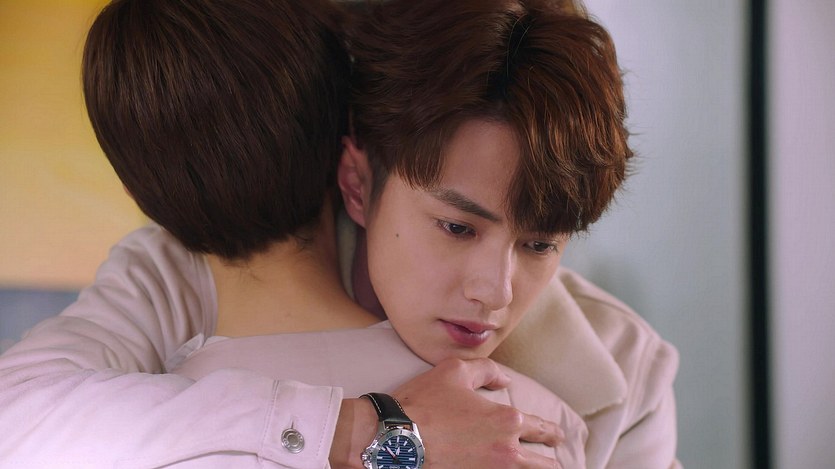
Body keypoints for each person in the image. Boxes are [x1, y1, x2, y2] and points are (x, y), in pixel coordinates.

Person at [0, 0, 681, 467]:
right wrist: (364, 428)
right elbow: (17, 418)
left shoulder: (629, 368)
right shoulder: (190, 270)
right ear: (356, 181)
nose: (494, 291)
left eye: (540, 243)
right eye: (455, 226)